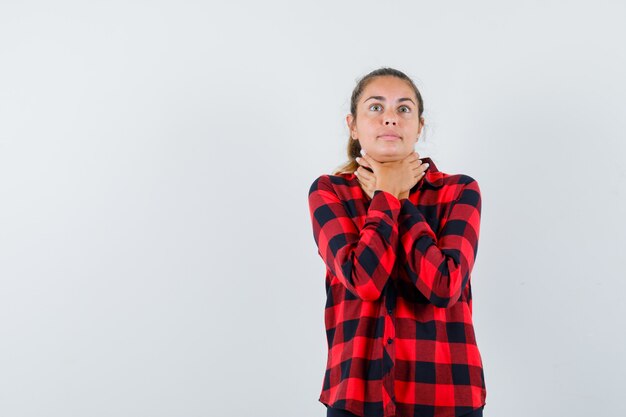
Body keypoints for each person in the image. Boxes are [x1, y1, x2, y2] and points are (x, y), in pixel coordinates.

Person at [307, 67, 487, 417]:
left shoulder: (458, 191)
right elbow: (364, 281)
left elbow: (444, 287)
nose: (390, 118)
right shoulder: (329, 192)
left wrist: (397, 199)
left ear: (419, 125)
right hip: (358, 398)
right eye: (376, 107)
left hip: (448, 395)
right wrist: (389, 194)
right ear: (353, 125)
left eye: (403, 109)